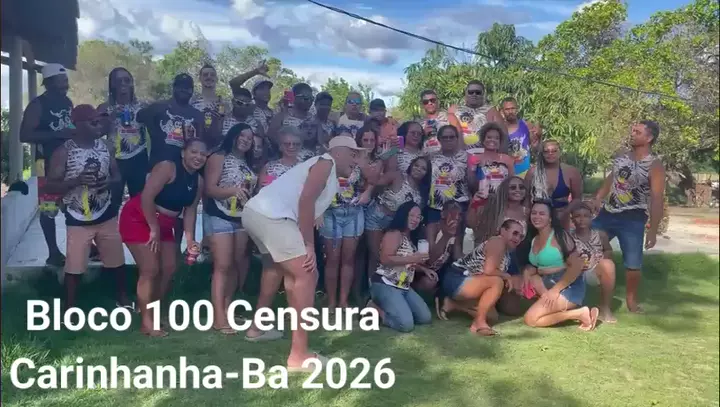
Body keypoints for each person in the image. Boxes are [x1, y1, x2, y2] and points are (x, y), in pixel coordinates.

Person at [241, 135, 363, 371]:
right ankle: (299, 356)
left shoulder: (327, 171)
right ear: (337, 152)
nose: (356, 161)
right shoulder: (326, 162)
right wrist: (308, 245)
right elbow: (306, 201)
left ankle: (257, 328)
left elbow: (306, 205)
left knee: (275, 269)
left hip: (256, 213)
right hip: (272, 216)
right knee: (307, 274)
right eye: (353, 154)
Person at [118, 138, 207, 337]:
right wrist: (153, 228)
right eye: (194, 152)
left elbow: (190, 210)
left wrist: (190, 240)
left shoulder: (198, 181)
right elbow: (146, 197)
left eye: (203, 154)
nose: (198, 157)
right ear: (183, 153)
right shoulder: (168, 167)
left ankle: (153, 312)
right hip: (139, 217)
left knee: (169, 267)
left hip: (165, 223)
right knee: (150, 269)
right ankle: (147, 323)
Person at [45, 105, 129, 310]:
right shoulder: (64, 151)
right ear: (79, 125)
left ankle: (123, 298)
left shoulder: (106, 146)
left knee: (117, 261)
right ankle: (70, 307)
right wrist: (76, 181)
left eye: (99, 121)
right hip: (77, 218)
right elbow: (50, 185)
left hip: (106, 213)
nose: (98, 125)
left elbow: (117, 176)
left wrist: (108, 183)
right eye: (93, 122)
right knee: (74, 267)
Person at [591, 121, 665, 313]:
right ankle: (599, 288)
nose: (632, 134)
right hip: (607, 213)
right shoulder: (621, 157)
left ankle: (631, 300)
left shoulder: (654, 165)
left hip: (633, 218)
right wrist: (599, 197)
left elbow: (657, 198)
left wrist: (653, 230)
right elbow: (611, 179)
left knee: (633, 263)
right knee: (589, 243)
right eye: (632, 131)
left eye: (637, 132)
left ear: (649, 138)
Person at [203, 123, 257, 334]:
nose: (245, 140)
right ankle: (218, 317)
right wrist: (232, 191)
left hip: (241, 217)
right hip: (219, 215)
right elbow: (209, 189)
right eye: (242, 135)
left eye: (249, 138)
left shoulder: (248, 162)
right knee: (222, 266)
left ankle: (227, 309)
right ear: (233, 136)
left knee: (235, 264)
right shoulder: (219, 157)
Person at [20, 63, 75, 268]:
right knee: (48, 208)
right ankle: (53, 252)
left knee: (72, 204)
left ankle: (83, 245)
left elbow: (68, 125)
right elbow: (24, 135)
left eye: (66, 81)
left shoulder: (67, 102)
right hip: (45, 163)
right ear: (49, 82)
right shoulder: (37, 105)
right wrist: (57, 135)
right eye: (62, 81)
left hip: (68, 160)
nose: (66, 85)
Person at [437, 219, 525, 336]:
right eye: (515, 233)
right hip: (457, 278)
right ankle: (478, 324)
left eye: (521, 236)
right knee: (497, 282)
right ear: (503, 231)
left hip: (471, 282)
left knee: (492, 316)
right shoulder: (498, 241)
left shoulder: (507, 252)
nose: (517, 238)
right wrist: (506, 276)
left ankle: (452, 304)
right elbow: (489, 270)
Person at [521, 200, 599, 331]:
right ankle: (563, 309)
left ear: (550, 218)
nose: (537, 216)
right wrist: (528, 271)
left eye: (542, 214)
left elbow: (577, 266)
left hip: (567, 285)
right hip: (547, 284)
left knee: (531, 319)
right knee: (531, 279)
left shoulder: (560, 236)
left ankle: (579, 313)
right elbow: (535, 267)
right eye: (534, 213)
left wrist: (554, 291)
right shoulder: (534, 239)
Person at [319, 130, 374, 311]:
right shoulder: (325, 166)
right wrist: (318, 211)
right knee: (332, 259)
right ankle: (332, 300)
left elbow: (373, 179)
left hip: (353, 212)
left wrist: (367, 192)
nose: (352, 153)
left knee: (349, 259)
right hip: (331, 213)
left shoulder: (357, 163)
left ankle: (343, 300)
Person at [367, 201, 433, 333]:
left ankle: (398, 307)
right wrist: (413, 258)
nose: (415, 219)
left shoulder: (410, 237)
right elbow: (385, 259)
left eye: (418, 217)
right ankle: (374, 309)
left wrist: (424, 269)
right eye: (412, 215)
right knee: (406, 325)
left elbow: (407, 263)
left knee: (425, 317)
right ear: (404, 215)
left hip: (403, 286)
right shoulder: (394, 233)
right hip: (385, 283)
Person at [365, 156, 430, 285]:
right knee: (375, 255)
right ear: (411, 165)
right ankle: (372, 287)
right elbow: (375, 183)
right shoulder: (397, 176)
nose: (418, 169)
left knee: (388, 255)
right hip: (377, 216)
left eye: (423, 168)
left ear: (426, 173)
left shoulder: (422, 193)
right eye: (416, 165)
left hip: (397, 224)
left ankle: (386, 286)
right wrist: (369, 194)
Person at [98, 67, 148, 200]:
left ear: (132, 83)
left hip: (139, 157)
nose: (123, 84)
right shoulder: (104, 108)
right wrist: (110, 119)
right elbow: (96, 133)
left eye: (127, 80)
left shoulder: (143, 106)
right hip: (115, 159)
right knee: (112, 201)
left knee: (139, 202)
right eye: (118, 81)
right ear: (112, 84)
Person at [137, 73, 205, 165]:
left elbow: (199, 145)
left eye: (187, 87)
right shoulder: (157, 108)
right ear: (174, 88)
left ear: (192, 90)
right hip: (159, 166)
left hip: (185, 169)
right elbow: (137, 118)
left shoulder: (198, 115)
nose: (184, 89)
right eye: (180, 86)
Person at [426, 125, 470, 260]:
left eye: (452, 137)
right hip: (436, 205)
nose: (448, 140)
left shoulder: (467, 157)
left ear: (457, 138)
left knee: (457, 243)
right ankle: (433, 268)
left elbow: (471, 180)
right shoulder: (431, 157)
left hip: (459, 204)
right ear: (439, 139)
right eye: (445, 137)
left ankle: (455, 269)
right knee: (434, 245)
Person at [570, 202, 616, 323]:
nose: (582, 219)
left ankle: (605, 307)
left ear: (592, 217)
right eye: (577, 216)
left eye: (586, 216)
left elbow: (608, 249)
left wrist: (601, 260)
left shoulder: (600, 235)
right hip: (573, 272)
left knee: (608, 265)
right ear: (572, 219)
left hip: (593, 270)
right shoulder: (568, 236)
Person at [526, 139, 583, 229]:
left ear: (560, 152)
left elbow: (577, 199)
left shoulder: (571, 172)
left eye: (554, 151)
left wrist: (566, 212)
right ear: (542, 153)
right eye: (546, 151)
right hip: (538, 218)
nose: (550, 154)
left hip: (561, 217)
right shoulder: (533, 172)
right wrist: (529, 214)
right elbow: (526, 198)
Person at [467, 122, 515, 209]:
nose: (492, 140)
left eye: (496, 138)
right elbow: (471, 185)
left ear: (500, 141)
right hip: (481, 203)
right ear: (483, 139)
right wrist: (474, 169)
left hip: (502, 204)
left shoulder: (507, 159)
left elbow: (512, 183)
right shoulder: (475, 158)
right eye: (489, 137)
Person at [416, 201, 461, 293]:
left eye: (458, 214)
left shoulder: (457, 231)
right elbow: (430, 260)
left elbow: (457, 257)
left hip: (442, 270)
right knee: (429, 282)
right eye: (452, 213)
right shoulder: (432, 227)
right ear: (443, 214)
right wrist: (446, 236)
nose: (456, 217)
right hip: (423, 268)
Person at [449, 81, 503, 151]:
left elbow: (503, 136)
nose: (474, 94)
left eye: (478, 92)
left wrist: (501, 155)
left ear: (483, 94)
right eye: (471, 92)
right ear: (465, 93)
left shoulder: (491, 111)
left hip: (482, 153)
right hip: (458, 152)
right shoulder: (454, 109)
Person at [191, 64, 228, 151]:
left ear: (217, 79)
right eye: (205, 75)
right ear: (200, 78)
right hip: (196, 149)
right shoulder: (192, 102)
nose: (209, 77)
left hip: (217, 150)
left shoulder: (224, 104)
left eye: (212, 75)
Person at [267, 83, 314, 152]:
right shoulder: (283, 115)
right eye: (306, 98)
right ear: (295, 97)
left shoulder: (313, 118)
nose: (309, 101)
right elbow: (271, 135)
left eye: (312, 98)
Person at [419, 90, 462, 154]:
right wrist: (423, 134)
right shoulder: (418, 123)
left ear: (438, 101)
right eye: (426, 102)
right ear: (422, 105)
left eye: (432, 100)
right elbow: (412, 147)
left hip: (448, 157)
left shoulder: (450, 117)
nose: (430, 103)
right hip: (426, 158)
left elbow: (460, 140)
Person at [501, 97, 534, 178]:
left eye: (513, 108)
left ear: (517, 109)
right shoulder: (499, 129)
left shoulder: (526, 125)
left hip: (524, 172)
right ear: (502, 111)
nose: (510, 111)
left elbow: (535, 147)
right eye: (507, 109)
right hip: (505, 173)